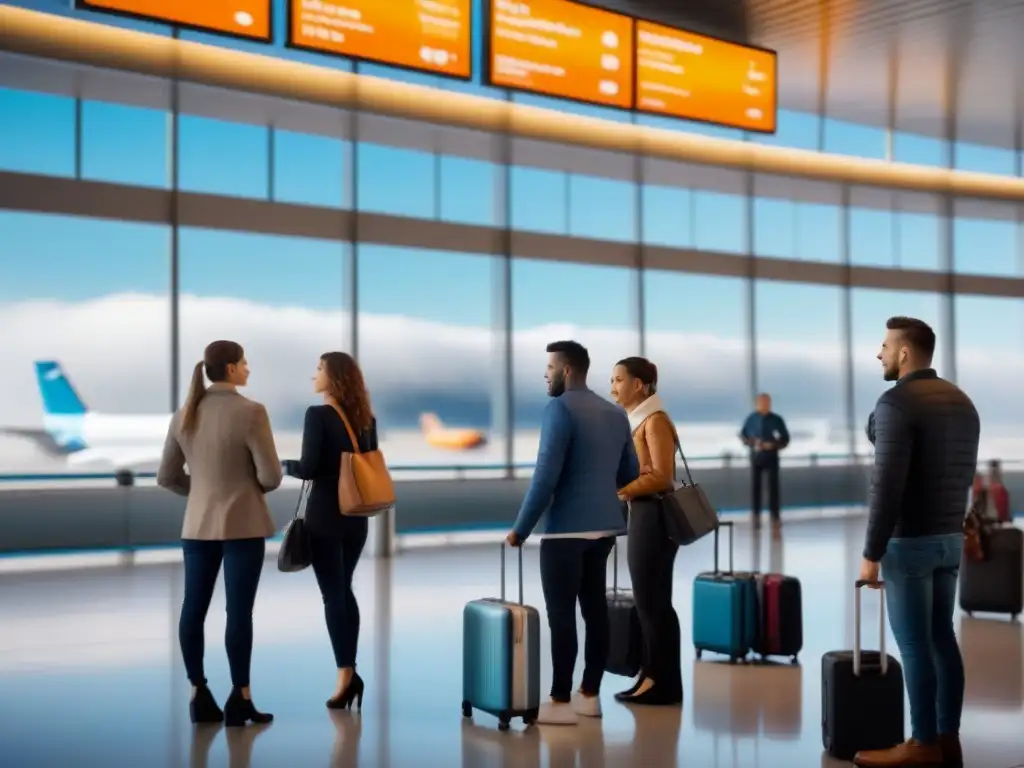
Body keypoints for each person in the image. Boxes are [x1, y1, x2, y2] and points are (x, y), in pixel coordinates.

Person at [853, 317, 979, 768]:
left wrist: (871, 554)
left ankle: (922, 743)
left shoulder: (896, 404)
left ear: (905, 352)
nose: (879, 353)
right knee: (942, 637)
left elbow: (885, 485)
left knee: (913, 645)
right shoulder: (962, 402)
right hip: (948, 538)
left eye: (885, 345)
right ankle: (948, 739)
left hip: (908, 544)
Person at [506, 340, 640, 725]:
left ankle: (560, 702)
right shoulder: (616, 414)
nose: (545, 375)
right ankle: (589, 695)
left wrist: (521, 529)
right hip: (605, 528)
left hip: (565, 531)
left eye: (549, 368)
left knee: (561, 615)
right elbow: (628, 474)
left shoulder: (559, 409)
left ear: (566, 371)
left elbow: (544, 477)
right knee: (595, 610)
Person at [157, 340, 282, 727]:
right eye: (244, 363)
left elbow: (167, 477)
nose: (248, 369)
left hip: (196, 526)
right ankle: (240, 698)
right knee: (238, 612)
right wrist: (241, 485)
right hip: (242, 524)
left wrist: (201, 491)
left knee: (192, 610)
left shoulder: (184, 414)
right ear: (230, 369)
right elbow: (271, 477)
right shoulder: (251, 411)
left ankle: (199, 692)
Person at [282, 352, 376, 712]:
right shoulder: (366, 420)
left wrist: (283, 465)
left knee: (332, 596)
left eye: (319, 369)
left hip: (325, 513)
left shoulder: (316, 415)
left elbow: (308, 467)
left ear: (333, 378)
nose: (314, 376)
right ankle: (350, 672)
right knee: (343, 590)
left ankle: (345, 675)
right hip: (357, 516)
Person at [610, 356, 683, 706]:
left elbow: (662, 477)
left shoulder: (653, 421)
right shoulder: (637, 421)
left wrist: (622, 489)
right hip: (643, 514)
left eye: (619, 379)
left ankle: (660, 681)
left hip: (653, 516)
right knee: (651, 603)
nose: (613, 386)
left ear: (639, 384)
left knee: (651, 603)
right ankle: (652, 676)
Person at [738, 393, 790, 537]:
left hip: (772, 457)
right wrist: (752, 442)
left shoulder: (777, 420)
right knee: (756, 488)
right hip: (756, 457)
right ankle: (756, 518)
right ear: (757, 404)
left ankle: (775, 518)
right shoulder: (751, 419)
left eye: (767, 402)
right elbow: (743, 436)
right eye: (762, 402)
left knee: (774, 489)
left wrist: (772, 444)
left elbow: (785, 439)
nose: (764, 404)